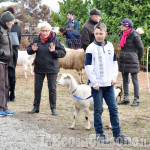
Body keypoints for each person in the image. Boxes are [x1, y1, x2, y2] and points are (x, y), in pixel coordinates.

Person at [85, 23, 130, 144]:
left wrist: (113, 77)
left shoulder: (110, 46)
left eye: (101, 33)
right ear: (94, 34)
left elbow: (114, 63)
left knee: (114, 109)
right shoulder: (90, 48)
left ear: (105, 33)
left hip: (109, 85)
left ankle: (117, 134)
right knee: (98, 110)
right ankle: (99, 134)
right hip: (97, 86)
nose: (99, 36)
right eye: (96, 34)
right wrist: (94, 82)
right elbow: (88, 67)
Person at [27, 22, 66, 116]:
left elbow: (63, 52)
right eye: (43, 31)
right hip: (39, 68)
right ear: (40, 31)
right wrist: (33, 50)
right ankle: (36, 107)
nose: (45, 33)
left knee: (52, 89)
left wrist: (54, 51)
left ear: (50, 31)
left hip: (52, 68)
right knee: (37, 89)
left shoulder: (55, 39)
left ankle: (53, 108)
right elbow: (29, 50)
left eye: (47, 31)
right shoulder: (37, 39)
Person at [118, 18, 144, 106]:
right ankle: (126, 98)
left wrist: (138, 59)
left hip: (132, 59)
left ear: (128, 26)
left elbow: (141, 48)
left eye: (123, 25)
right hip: (124, 59)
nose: (121, 26)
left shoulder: (135, 35)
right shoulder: (121, 33)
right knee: (125, 80)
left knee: (135, 80)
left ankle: (136, 99)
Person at [3, 7, 22, 102]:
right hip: (14, 52)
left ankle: (6, 95)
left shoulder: (4, 27)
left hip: (5, 53)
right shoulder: (17, 26)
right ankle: (12, 94)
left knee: (4, 74)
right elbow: (19, 40)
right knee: (12, 74)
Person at [0, 11, 15, 116]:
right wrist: (3, 53)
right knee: (0, 85)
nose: (13, 23)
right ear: (6, 22)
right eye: (11, 21)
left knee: (6, 85)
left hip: (6, 62)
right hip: (0, 61)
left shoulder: (7, 30)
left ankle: (5, 107)